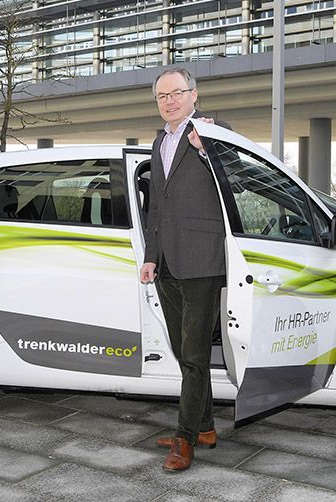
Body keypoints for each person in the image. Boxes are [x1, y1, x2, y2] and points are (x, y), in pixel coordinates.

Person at [140, 68, 230, 472]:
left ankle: (184, 438)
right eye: (162, 96)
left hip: (202, 261)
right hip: (169, 265)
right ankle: (205, 427)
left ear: (195, 94)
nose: (170, 100)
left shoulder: (214, 132)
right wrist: (150, 256)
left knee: (193, 355)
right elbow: (156, 208)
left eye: (177, 93)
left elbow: (239, 184)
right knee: (183, 352)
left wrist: (207, 149)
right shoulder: (159, 141)